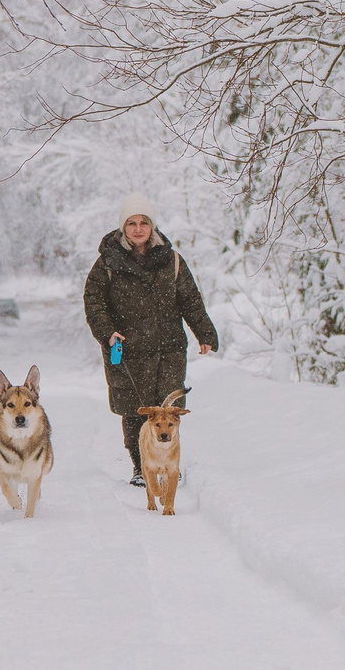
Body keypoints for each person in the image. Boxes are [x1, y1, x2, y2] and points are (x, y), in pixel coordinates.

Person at [83, 192, 218, 485]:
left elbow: (190, 299)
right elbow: (94, 303)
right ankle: (140, 467)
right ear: (123, 227)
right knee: (135, 412)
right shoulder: (107, 263)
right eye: (131, 223)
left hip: (168, 350)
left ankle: (169, 466)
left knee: (168, 410)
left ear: (152, 226)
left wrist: (204, 332)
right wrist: (107, 333)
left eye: (144, 222)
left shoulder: (172, 260)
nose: (138, 228)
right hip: (127, 351)